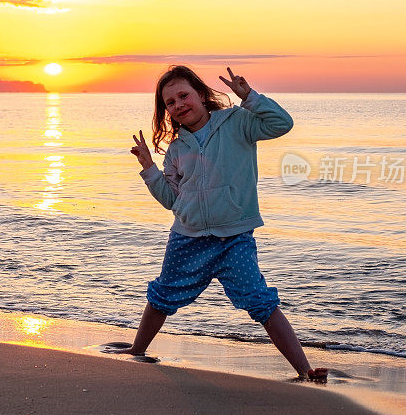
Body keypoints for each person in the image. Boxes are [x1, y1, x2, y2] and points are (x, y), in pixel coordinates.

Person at [117, 65, 327, 381]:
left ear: (201, 94)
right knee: (162, 297)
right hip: (188, 238)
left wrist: (249, 97)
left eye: (183, 95)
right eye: (170, 102)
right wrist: (148, 168)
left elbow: (282, 124)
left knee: (261, 303)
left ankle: (305, 370)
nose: (178, 105)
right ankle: (136, 351)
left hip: (234, 239)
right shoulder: (176, 149)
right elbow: (173, 201)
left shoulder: (237, 123)